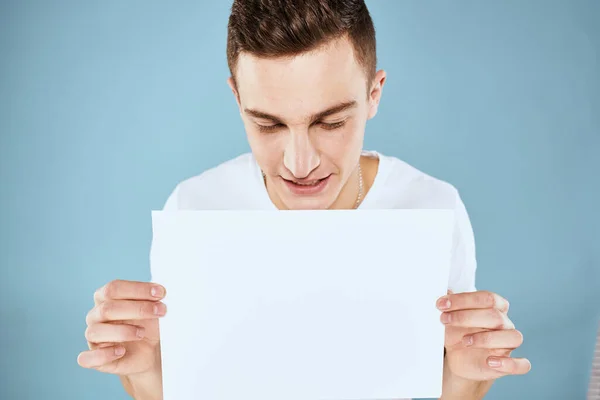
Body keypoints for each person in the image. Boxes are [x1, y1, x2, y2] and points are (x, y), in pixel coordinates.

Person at [77, 1, 531, 399]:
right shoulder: (195, 208)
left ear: (374, 94)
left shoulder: (434, 206)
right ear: (237, 98)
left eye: (330, 123)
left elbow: (442, 388)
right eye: (269, 125)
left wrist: (464, 383)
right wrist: (146, 373)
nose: (299, 162)